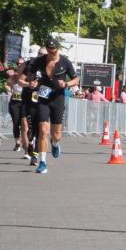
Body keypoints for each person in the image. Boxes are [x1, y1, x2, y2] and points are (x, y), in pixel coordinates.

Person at [29, 38, 79, 174]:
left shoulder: (65, 62)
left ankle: (55, 144)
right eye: (49, 50)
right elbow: (31, 74)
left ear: (58, 49)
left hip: (58, 98)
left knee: (56, 134)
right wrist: (33, 82)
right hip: (43, 97)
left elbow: (76, 79)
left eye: (54, 50)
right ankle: (42, 162)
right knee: (43, 130)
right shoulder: (40, 61)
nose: (51, 53)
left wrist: (67, 84)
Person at [6, 62, 26, 152]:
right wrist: (8, 89)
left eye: (21, 64)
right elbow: (8, 84)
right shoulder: (13, 76)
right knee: (16, 123)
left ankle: (26, 143)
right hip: (15, 102)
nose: (19, 65)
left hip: (25, 102)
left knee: (25, 124)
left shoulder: (28, 75)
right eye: (18, 64)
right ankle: (17, 143)